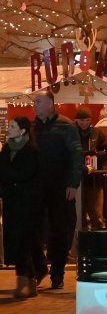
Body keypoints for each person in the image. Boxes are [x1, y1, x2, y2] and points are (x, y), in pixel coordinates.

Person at [33, 91, 83, 290]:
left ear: (50, 103)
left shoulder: (66, 126)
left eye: (38, 101)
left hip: (61, 186)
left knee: (60, 230)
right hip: (36, 187)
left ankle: (57, 273)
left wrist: (73, 183)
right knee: (34, 229)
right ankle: (40, 267)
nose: (34, 105)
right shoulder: (31, 126)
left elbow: (76, 155)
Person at [0, 116, 45, 298]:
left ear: (23, 130)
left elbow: (27, 175)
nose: (9, 129)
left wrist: (10, 177)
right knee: (16, 241)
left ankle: (28, 281)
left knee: (26, 241)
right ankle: (30, 277)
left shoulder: (31, 150)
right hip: (11, 202)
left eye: (12, 126)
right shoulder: (6, 149)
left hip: (28, 203)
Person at [76, 106, 107, 230]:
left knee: (96, 214)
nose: (84, 123)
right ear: (76, 120)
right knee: (79, 215)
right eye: (81, 120)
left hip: (95, 180)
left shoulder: (97, 133)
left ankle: (98, 244)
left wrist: (97, 155)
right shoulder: (72, 133)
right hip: (77, 181)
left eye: (87, 119)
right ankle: (79, 244)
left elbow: (106, 152)